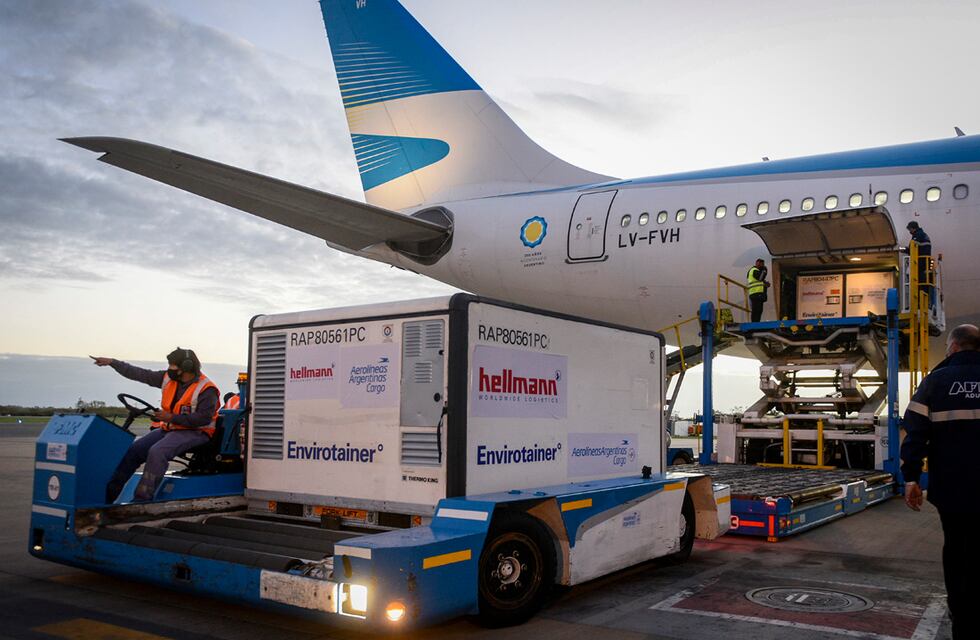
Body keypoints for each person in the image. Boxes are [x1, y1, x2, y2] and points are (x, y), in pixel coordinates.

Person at [900, 324, 980, 639]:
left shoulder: (936, 382)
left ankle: (962, 618)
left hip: (953, 489)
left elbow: (915, 432)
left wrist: (910, 478)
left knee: (957, 551)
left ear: (954, 347)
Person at [93, 348, 220, 502]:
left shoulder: (207, 389)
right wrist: (113, 363)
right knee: (134, 450)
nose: (169, 369)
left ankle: (142, 500)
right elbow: (139, 373)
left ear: (186, 366)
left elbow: (203, 419)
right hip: (170, 429)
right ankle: (105, 498)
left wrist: (171, 417)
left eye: (173, 365)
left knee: (157, 452)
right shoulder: (168, 378)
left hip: (196, 432)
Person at [904, 221, 933, 307]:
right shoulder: (923, 235)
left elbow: (913, 248)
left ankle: (918, 303)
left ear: (913, 228)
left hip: (920, 263)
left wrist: (905, 250)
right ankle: (923, 303)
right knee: (923, 284)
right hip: (924, 263)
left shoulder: (917, 236)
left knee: (918, 283)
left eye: (910, 229)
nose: (909, 231)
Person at [746, 257, 770, 322]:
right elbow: (760, 277)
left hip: (757, 293)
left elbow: (759, 280)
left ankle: (756, 322)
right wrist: (764, 270)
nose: (762, 265)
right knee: (756, 310)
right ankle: (754, 323)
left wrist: (765, 283)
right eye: (761, 264)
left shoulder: (756, 271)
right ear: (757, 263)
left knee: (758, 310)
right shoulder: (754, 270)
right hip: (756, 293)